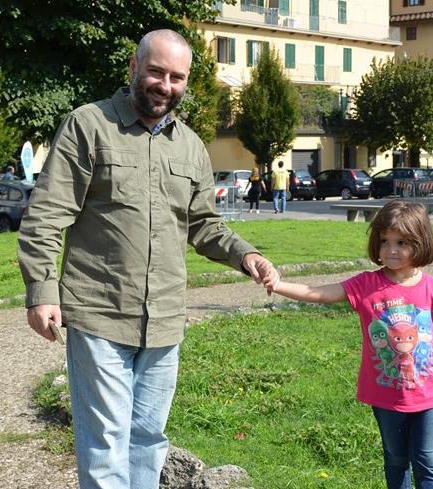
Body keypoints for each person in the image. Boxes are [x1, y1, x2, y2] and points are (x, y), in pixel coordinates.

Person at [17, 29, 279, 489]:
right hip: (100, 313)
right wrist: (42, 291)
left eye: (177, 77)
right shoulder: (89, 125)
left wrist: (247, 255)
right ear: (134, 67)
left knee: (147, 441)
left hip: (164, 319)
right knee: (105, 445)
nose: (166, 85)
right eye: (157, 72)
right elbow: (46, 215)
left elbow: (203, 224)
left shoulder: (191, 146)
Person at [263, 200, 433, 489]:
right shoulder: (366, 285)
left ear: (421, 243)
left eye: (402, 242)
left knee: (428, 461)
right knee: (396, 459)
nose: (391, 250)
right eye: (385, 241)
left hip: (429, 397)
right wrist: (278, 285)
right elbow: (320, 293)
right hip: (386, 395)